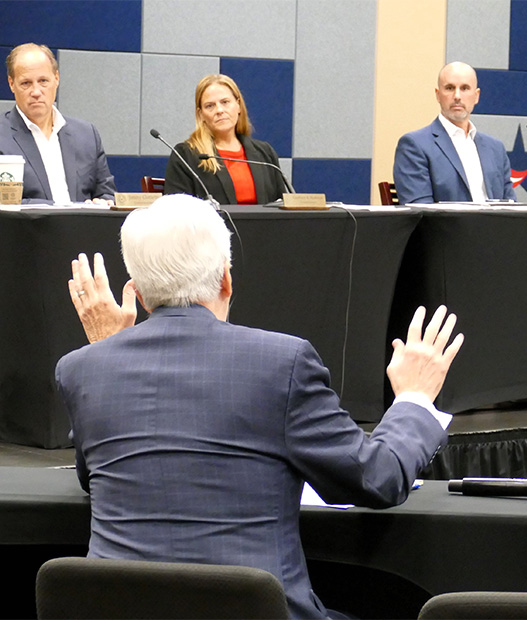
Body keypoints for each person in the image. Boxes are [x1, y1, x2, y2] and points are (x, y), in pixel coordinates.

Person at [55, 194, 463, 619]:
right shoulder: (282, 363)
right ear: (226, 280)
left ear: (139, 295)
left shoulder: (81, 369)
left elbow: (94, 474)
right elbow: (377, 477)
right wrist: (414, 398)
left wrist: (108, 352)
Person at [0, 43, 116, 205]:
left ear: (56, 78)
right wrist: (61, 209)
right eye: (26, 83)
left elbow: (107, 193)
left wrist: (104, 202)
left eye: (43, 81)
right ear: (11, 84)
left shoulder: (87, 135)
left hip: (83, 222)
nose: (36, 92)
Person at [392, 61, 517, 205]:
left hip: (495, 220)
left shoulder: (496, 148)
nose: (457, 96)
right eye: (450, 88)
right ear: (438, 95)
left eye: (465, 88)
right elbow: (420, 210)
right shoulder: (414, 145)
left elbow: (511, 205)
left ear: (476, 96)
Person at [163, 74, 287, 205]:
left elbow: (282, 206)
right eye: (210, 106)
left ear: (238, 106)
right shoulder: (186, 155)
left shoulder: (265, 153)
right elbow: (176, 209)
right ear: (201, 114)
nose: (219, 110)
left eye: (225, 102)